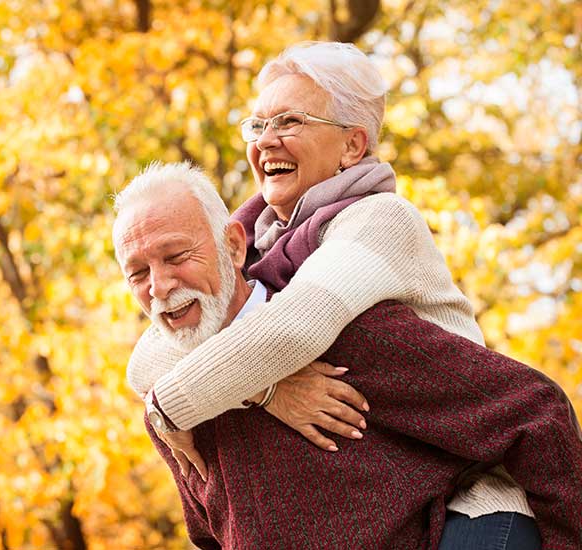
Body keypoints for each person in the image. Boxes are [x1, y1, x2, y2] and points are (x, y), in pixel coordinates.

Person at [125, 42, 545, 547]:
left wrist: (168, 406)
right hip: (396, 497)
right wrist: (267, 391)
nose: (266, 141)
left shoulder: (381, 220)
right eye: (257, 126)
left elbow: (293, 330)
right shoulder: (255, 239)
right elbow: (152, 352)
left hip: (466, 496)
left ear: (351, 146)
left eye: (290, 122)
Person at [111, 163, 582, 548]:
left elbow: (536, 412)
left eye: (176, 256)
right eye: (137, 273)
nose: (159, 287)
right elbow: (211, 535)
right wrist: (265, 390)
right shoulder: (170, 407)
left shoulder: (350, 334)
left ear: (234, 245)